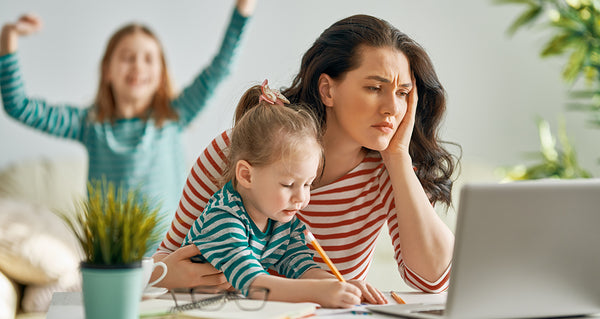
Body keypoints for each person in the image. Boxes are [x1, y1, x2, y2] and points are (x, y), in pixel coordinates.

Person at [154, 14, 458, 301]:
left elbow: (433, 281)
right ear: (327, 90)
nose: (392, 107)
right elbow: (165, 259)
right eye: (375, 88)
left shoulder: (388, 171)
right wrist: (165, 275)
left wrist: (398, 157)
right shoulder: (236, 151)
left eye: (403, 93)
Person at [0, 0, 256, 253]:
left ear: (161, 74)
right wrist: (8, 37)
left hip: (171, 255)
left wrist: (242, 10)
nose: (137, 66)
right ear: (108, 71)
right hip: (112, 260)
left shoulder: (174, 116)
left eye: (148, 59)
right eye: (127, 57)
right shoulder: (90, 125)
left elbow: (220, 68)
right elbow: (19, 106)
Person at [182, 80, 369, 308]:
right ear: (246, 175)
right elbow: (253, 284)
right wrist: (320, 292)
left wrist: (342, 285)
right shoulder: (223, 219)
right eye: (289, 184)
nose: (301, 198)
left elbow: (302, 268)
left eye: (308, 184)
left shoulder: (279, 220)